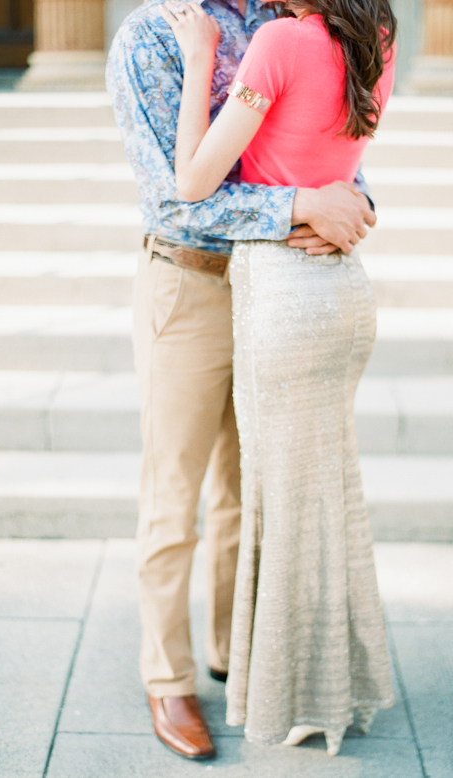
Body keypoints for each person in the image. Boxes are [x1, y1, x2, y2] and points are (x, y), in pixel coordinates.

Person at [106, 0, 377, 762]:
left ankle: (234, 653)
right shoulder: (151, 35)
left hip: (280, 287)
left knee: (243, 488)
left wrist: (351, 202)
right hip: (188, 288)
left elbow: (327, 141)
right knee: (174, 492)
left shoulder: (285, 21)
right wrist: (298, 205)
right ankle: (168, 676)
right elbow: (172, 197)